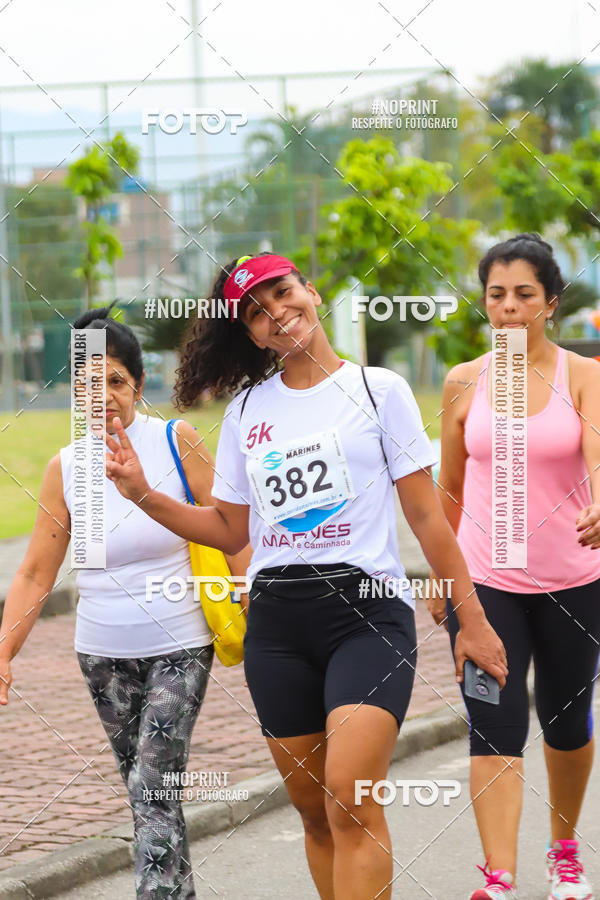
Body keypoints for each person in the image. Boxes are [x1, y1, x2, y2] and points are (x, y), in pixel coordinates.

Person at [105, 252, 508, 900]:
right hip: (278, 627)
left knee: (351, 799)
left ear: (311, 292)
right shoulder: (245, 413)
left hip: (366, 614)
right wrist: (143, 495)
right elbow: (232, 531)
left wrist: (474, 621)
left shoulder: (380, 390)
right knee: (315, 812)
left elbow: (428, 516)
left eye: (283, 293)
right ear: (250, 333)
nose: (276, 314)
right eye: (256, 313)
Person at [0, 305, 251, 900]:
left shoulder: (174, 440)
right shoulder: (66, 467)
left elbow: (229, 531)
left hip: (180, 642)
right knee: (150, 792)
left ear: (137, 383)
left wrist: (258, 612)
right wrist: (5, 651)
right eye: (87, 383)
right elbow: (37, 570)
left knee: (151, 782)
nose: (102, 395)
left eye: (113, 380)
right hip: (101, 653)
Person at [429, 234, 600, 899]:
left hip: (574, 583)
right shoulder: (462, 382)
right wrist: (446, 582)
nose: (509, 309)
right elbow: (446, 489)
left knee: (565, 722)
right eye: (497, 295)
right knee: (493, 723)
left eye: (524, 295)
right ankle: (498, 877)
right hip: (485, 586)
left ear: (550, 304)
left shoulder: (584, 376)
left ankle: (564, 852)